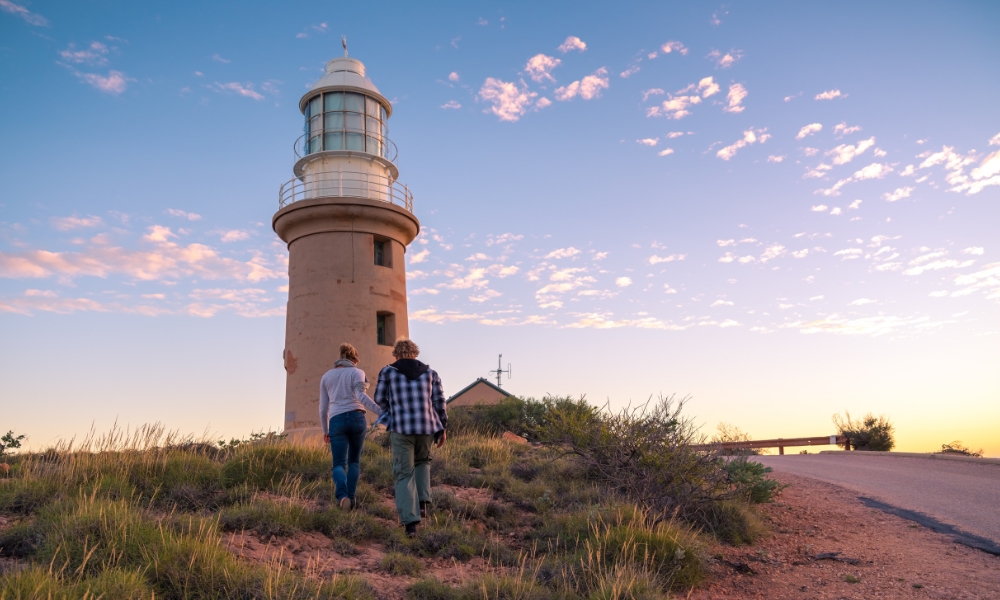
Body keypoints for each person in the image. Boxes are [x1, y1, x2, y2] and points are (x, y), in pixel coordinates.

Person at [373, 338, 447, 537]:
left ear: (396, 355)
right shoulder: (431, 374)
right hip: (427, 427)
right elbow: (439, 402)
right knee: (422, 462)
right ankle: (423, 502)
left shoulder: (388, 372)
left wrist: (393, 410)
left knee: (404, 473)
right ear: (415, 353)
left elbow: (379, 398)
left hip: (401, 428)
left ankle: (411, 524)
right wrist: (442, 428)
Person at [320, 343, 383, 510]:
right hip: (357, 417)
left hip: (336, 420)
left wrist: (325, 431)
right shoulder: (357, 372)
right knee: (354, 462)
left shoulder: (326, 376)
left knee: (339, 464)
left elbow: (323, 408)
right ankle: (352, 499)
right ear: (354, 359)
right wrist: (381, 411)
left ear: (340, 358)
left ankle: (342, 497)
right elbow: (361, 396)